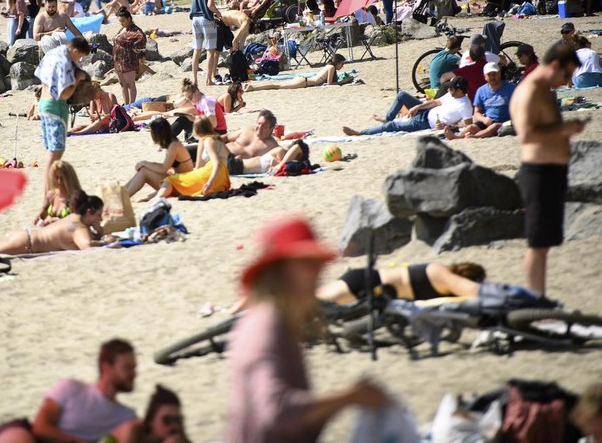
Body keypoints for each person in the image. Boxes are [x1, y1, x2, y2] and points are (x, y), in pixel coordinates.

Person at [226, 217, 387, 442]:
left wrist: (348, 399)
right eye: (307, 265)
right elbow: (276, 413)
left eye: (317, 265)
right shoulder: (267, 325)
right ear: (280, 270)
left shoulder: (274, 320)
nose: (317, 274)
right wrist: (349, 397)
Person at [510, 41, 586, 295]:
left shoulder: (543, 89)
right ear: (555, 65)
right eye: (566, 75)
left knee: (544, 243)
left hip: (551, 173)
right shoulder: (531, 89)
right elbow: (527, 135)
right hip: (539, 173)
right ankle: (536, 301)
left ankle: (539, 300)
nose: (566, 83)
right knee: (538, 243)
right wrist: (564, 129)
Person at [0, 191, 115, 255]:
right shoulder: (78, 227)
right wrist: (106, 240)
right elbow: (87, 245)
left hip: (24, 235)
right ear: (89, 212)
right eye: (99, 215)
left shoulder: (72, 218)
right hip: (25, 243)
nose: (100, 219)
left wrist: (98, 230)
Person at [34, 37, 92, 196]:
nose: (79, 60)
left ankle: (50, 192)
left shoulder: (53, 53)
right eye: (79, 56)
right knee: (55, 155)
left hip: (44, 104)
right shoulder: (64, 61)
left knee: (52, 153)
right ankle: (48, 194)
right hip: (55, 107)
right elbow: (63, 94)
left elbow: (41, 75)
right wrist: (77, 80)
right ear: (74, 50)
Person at [343, 76, 472, 136]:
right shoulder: (451, 95)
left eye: (451, 89)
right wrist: (418, 107)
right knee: (401, 95)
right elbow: (436, 102)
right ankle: (388, 118)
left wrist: (450, 126)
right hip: (426, 111)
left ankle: (360, 133)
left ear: (460, 91)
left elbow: (468, 125)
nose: (448, 90)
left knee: (391, 126)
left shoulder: (465, 105)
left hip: (426, 123)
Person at [317, 262, 486, 303]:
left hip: (370, 282)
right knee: (313, 304)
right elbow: (473, 290)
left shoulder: (441, 277)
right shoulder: (442, 274)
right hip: (370, 283)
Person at [155, 117, 230, 198]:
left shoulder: (209, 141)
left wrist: (210, 182)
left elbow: (217, 163)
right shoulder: (217, 139)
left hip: (212, 178)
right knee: (178, 181)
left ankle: (157, 199)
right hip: (223, 181)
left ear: (197, 129)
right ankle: (155, 197)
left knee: (169, 180)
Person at [125, 117, 193, 199]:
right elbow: (166, 167)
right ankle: (123, 192)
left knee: (144, 171)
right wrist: (146, 164)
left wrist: (144, 163)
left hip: (182, 185)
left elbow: (163, 168)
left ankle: (124, 196)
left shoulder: (174, 146)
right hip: (177, 181)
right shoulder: (172, 143)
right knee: (144, 169)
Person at [445, 63, 515, 139]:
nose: (492, 77)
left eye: (494, 74)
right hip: (488, 120)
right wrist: (484, 119)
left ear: (500, 74)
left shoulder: (511, 88)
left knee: (494, 126)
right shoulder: (481, 91)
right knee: (471, 127)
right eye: (489, 74)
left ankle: (475, 136)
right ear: (485, 77)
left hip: (506, 121)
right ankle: (456, 137)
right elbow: (477, 112)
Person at [190, 0, 225, 86]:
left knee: (197, 50)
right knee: (210, 50)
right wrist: (219, 14)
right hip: (206, 19)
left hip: (195, 18)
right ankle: (208, 80)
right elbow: (210, 4)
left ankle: (194, 80)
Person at [245, 54, 354, 91]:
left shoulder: (329, 66)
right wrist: (345, 81)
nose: (342, 66)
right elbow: (330, 84)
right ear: (337, 62)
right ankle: (253, 87)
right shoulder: (331, 68)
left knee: (277, 85)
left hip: (303, 80)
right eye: (342, 63)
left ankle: (253, 85)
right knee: (276, 85)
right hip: (304, 82)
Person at [112, 7, 147, 104]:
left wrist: (140, 56)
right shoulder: (123, 29)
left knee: (130, 84)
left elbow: (142, 43)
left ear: (129, 19)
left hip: (129, 60)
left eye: (123, 21)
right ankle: (126, 104)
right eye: (120, 21)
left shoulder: (136, 31)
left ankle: (132, 104)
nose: (121, 23)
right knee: (123, 84)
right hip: (118, 61)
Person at [36, 160, 83, 226]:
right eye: (56, 177)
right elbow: (42, 216)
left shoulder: (76, 198)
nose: (59, 181)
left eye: (62, 178)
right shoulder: (51, 195)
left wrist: (60, 222)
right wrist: (38, 219)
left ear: (69, 179)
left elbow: (79, 225)